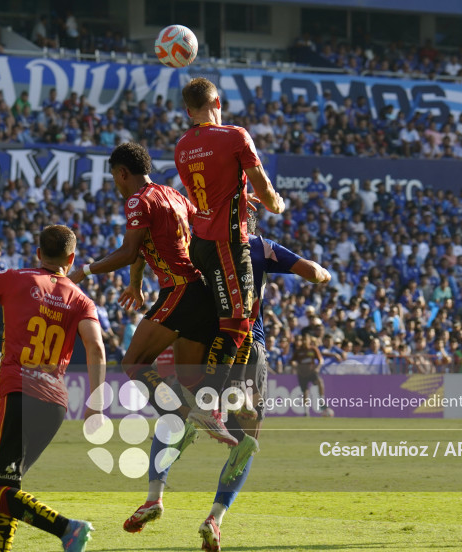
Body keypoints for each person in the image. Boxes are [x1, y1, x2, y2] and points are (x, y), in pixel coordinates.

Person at [125, 209, 332, 552]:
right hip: (246, 347)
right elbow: (312, 272)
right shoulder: (259, 246)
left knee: (175, 417)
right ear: (250, 225)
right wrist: (324, 275)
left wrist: (135, 282)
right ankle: (215, 519)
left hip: (200, 342)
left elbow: (147, 250)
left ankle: (154, 496)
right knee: (247, 441)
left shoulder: (196, 244)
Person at [0, 224, 106, 552]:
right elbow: (96, 348)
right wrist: (97, 402)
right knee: (8, 486)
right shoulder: (81, 300)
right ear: (72, 258)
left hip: (19, 393)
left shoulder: (13, 278)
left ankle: (67, 528)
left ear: (38, 253)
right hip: (55, 405)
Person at [70, 142, 236, 445]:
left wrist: (86, 271)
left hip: (180, 290)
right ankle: (216, 414)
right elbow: (144, 249)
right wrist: (135, 283)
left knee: (133, 363)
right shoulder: (174, 195)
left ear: (122, 173)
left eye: (113, 178)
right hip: (201, 292)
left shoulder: (137, 201)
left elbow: (128, 250)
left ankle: (180, 418)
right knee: (189, 378)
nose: (115, 185)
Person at [175, 77, 285, 415]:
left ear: (189, 111)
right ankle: (208, 401)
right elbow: (262, 184)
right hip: (227, 243)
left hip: (200, 242)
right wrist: (275, 204)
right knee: (239, 320)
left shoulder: (181, 146)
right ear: (218, 102)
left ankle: (216, 394)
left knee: (216, 319)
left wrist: (239, 197)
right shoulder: (235, 135)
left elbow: (211, 188)